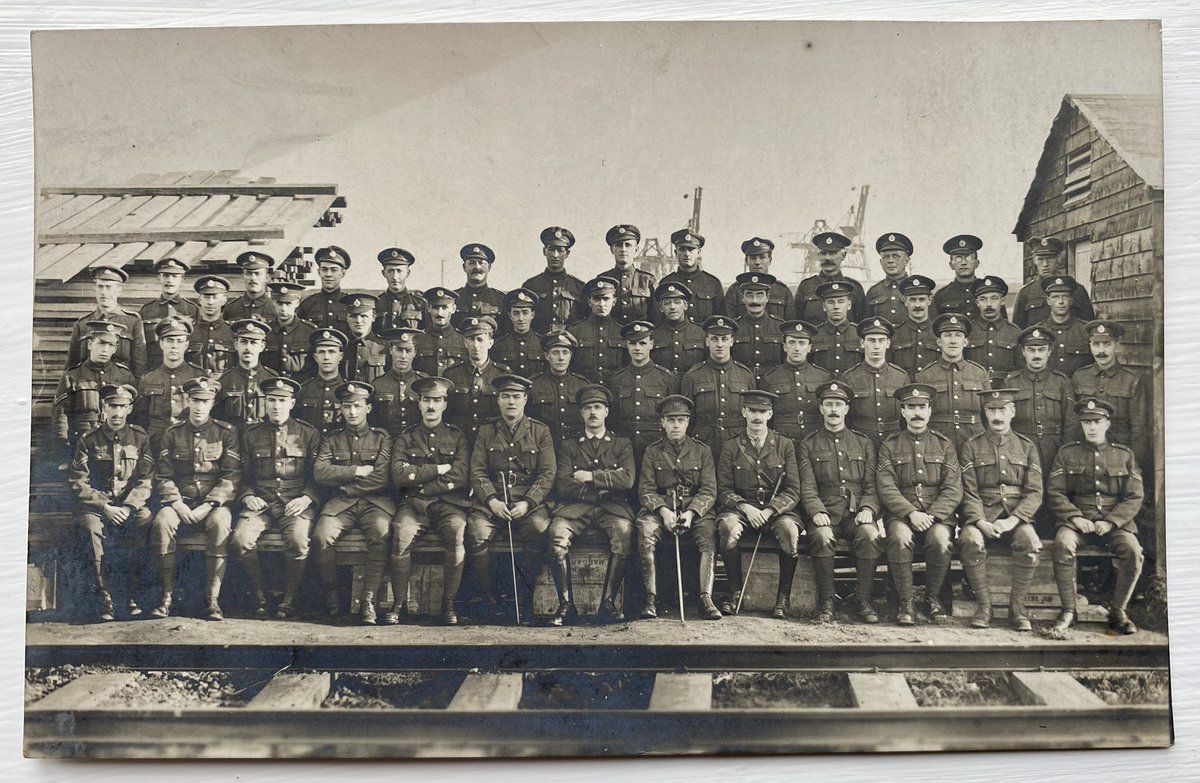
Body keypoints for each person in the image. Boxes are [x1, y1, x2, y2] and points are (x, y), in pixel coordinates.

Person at [1047, 397, 1145, 635]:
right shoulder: (1067, 453)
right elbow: (1055, 491)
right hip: (1078, 522)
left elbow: (1134, 496)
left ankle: (1118, 611)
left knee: (1133, 551)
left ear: (1107, 424)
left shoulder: (1124, 455)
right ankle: (1068, 610)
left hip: (1114, 524)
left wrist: (1111, 522)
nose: (1092, 427)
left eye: (1097, 422)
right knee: (1062, 544)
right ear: (1081, 425)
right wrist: (1074, 517)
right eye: (1087, 422)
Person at [466, 375, 556, 622]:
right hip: (493, 501)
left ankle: (524, 599)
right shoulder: (486, 431)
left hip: (527, 501)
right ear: (498, 400)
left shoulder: (540, 431)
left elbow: (547, 473)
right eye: (505, 396)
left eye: (516, 397)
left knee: (538, 528)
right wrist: (492, 501)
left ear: (525, 399)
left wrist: (528, 502)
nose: (511, 402)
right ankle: (489, 599)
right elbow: (478, 471)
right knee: (476, 532)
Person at [149, 377, 240, 621]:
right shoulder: (172, 433)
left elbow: (231, 476)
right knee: (161, 522)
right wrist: (176, 503)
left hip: (213, 504)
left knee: (221, 524)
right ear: (188, 401)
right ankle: (166, 596)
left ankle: (212, 600)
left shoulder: (226, 433)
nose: (200, 406)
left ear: (212, 403)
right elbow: (163, 475)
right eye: (195, 400)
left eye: (205, 401)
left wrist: (209, 504)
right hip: (180, 502)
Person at [231, 377, 321, 619]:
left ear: (292, 403)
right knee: (240, 540)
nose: (276, 406)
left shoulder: (308, 433)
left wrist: (306, 498)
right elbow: (241, 475)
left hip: (295, 501)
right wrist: (248, 495)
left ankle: (289, 598)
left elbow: (318, 476)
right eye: (271, 400)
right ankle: (260, 596)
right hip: (261, 501)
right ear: (265, 403)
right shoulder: (250, 435)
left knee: (298, 540)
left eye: (282, 401)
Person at [548, 384, 637, 624]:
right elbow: (563, 484)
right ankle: (566, 605)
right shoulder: (569, 446)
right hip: (576, 509)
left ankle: (607, 602)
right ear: (581, 413)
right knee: (557, 536)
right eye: (587, 408)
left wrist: (589, 477)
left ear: (607, 411)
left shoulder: (622, 444)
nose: (593, 412)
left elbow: (627, 479)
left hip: (613, 509)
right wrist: (606, 484)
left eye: (598, 407)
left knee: (624, 533)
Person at [957, 388, 1044, 631]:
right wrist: (980, 521)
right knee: (969, 540)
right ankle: (985, 607)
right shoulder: (971, 446)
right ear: (985, 412)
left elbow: (1035, 492)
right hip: (983, 515)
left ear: (1012, 411)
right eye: (992, 410)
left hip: (1015, 518)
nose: (997, 415)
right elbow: (968, 491)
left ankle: (1017, 608)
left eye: (1002, 410)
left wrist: (1014, 520)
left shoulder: (1027, 447)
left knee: (1030, 542)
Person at [877, 383, 963, 625]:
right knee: (900, 539)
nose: (917, 413)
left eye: (921, 407)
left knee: (939, 540)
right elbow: (886, 486)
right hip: (902, 513)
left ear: (929, 411)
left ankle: (932, 598)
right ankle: (906, 602)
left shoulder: (944, 444)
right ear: (902, 411)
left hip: (937, 514)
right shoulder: (890, 444)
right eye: (911, 407)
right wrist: (910, 513)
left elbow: (953, 488)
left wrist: (933, 516)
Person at [798, 380, 884, 623]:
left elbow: (872, 485)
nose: (833, 410)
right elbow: (807, 486)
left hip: (856, 513)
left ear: (847, 409)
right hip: (824, 511)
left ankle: (863, 600)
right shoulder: (808, 444)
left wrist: (868, 508)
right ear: (821, 408)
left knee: (869, 535)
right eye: (828, 404)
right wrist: (815, 511)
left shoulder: (864, 443)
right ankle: (827, 600)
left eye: (838, 404)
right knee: (822, 537)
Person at [68, 383, 155, 621]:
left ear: (130, 408)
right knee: (89, 528)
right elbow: (78, 482)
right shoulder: (88, 439)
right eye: (112, 406)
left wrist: (128, 507)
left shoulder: (139, 438)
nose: (117, 413)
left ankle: (130, 595)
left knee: (145, 520)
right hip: (97, 508)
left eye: (122, 406)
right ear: (103, 407)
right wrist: (105, 506)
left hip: (128, 506)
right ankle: (104, 598)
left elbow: (146, 479)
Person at [388, 376, 471, 625]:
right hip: (413, 505)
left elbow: (460, 476)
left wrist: (422, 485)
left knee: (457, 531)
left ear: (445, 404)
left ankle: (449, 604)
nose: (431, 406)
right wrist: (439, 469)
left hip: (448, 504)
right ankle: (398, 604)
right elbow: (399, 476)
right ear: (419, 404)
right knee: (401, 533)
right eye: (426, 400)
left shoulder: (458, 438)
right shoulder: (406, 438)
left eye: (437, 400)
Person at [715, 390, 803, 618]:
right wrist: (746, 508)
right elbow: (723, 490)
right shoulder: (731, 446)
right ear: (744, 412)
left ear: (770, 414)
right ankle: (734, 593)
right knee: (728, 527)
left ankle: (782, 599)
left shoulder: (784, 445)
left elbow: (793, 490)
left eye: (762, 412)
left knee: (789, 531)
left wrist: (771, 509)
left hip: (776, 511)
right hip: (743, 509)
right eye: (753, 410)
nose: (757, 416)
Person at [312, 381, 394, 624]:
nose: (352, 412)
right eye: (347, 406)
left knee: (381, 532)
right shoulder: (331, 439)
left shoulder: (382, 438)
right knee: (320, 536)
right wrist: (357, 470)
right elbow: (319, 472)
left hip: (374, 502)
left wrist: (343, 484)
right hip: (341, 505)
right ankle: (331, 593)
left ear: (368, 408)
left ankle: (368, 600)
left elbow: (381, 477)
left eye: (358, 406)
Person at [635, 395, 721, 620]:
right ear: (662, 422)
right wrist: (663, 511)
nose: (675, 425)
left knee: (709, 533)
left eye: (681, 420)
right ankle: (651, 598)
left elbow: (709, 490)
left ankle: (705, 598)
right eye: (670, 420)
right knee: (645, 531)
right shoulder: (652, 452)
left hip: (695, 511)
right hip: (661, 509)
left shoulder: (702, 451)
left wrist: (692, 513)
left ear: (688, 422)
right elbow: (646, 490)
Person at [1005, 326, 1077, 516]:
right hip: (1021, 448)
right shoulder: (1011, 382)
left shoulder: (1061, 382)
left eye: (1041, 349)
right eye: (1031, 350)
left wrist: (1066, 452)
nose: (1036, 355)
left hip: (1053, 447)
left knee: (1054, 492)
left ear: (1049, 351)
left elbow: (1070, 422)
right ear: (1023, 352)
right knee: (1025, 490)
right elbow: (1005, 422)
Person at [1071, 320, 1149, 470]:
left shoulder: (1131, 380)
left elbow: (1139, 430)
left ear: (1117, 345)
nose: (1101, 351)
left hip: (1120, 454)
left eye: (1107, 344)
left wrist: (1134, 464)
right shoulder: (1079, 377)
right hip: (1085, 455)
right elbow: (1073, 424)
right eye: (1096, 344)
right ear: (1090, 346)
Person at [53, 321, 137, 451]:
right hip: (81, 443)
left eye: (110, 345)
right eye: (101, 343)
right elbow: (61, 417)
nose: (105, 349)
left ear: (115, 348)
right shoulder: (72, 375)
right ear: (90, 344)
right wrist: (63, 452)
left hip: (116, 444)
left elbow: (133, 413)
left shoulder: (124, 375)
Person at [679, 315, 756, 456]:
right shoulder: (693, 376)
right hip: (703, 443)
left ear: (732, 341)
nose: (719, 344)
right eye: (714, 339)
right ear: (707, 342)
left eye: (724, 339)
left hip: (738, 443)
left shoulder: (746, 375)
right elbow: (687, 419)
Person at [916, 313, 990, 451]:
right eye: (948, 335)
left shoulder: (979, 373)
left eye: (958, 335)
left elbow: (987, 414)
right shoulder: (927, 375)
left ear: (965, 341)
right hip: (938, 441)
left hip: (975, 440)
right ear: (939, 342)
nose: (953, 340)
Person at [610, 320, 680, 463]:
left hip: (657, 447)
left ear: (651, 344)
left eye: (642, 343)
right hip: (625, 447)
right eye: (632, 343)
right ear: (626, 345)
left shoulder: (666, 378)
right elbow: (613, 419)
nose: (637, 348)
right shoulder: (618, 379)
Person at [135, 316, 208, 454]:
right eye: (169, 340)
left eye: (179, 341)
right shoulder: (149, 377)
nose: (174, 345)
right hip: (156, 444)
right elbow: (140, 417)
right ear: (161, 344)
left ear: (186, 345)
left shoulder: (198, 376)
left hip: (189, 442)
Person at [65, 265, 147, 379]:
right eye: (100, 287)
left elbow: (139, 365)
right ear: (95, 290)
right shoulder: (83, 323)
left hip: (121, 387)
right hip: (88, 386)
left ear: (119, 291)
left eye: (108, 287)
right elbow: (72, 364)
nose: (103, 292)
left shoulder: (132, 321)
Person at [758, 320, 831, 445]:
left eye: (802, 343)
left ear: (809, 348)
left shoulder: (822, 377)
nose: (797, 348)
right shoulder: (770, 378)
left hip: (815, 440)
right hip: (782, 441)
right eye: (792, 342)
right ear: (785, 347)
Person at [841, 317, 910, 448]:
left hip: (895, 443)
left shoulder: (900, 376)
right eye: (871, 340)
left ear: (888, 343)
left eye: (881, 340)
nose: (876, 346)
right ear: (862, 343)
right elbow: (845, 418)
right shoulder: (849, 378)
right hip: (859, 442)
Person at [444, 315, 508, 447]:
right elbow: (446, 414)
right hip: (458, 442)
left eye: (480, 339)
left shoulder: (503, 374)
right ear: (465, 343)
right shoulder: (451, 374)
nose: (476, 345)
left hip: (492, 442)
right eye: (471, 339)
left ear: (490, 343)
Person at [1014, 237, 1095, 328]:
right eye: (1040, 259)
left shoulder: (1077, 290)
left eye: (1049, 259)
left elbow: (1089, 326)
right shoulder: (1026, 293)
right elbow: (1018, 331)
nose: (1045, 264)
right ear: (1034, 260)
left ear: (1059, 258)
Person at [214, 318, 280, 429]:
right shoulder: (224, 381)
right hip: (234, 442)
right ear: (236, 345)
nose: (248, 347)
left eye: (253, 342)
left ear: (262, 346)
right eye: (243, 342)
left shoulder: (272, 379)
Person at [139, 257, 200, 371]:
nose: (169, 280)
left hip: (184, 371)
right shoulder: (146, 310)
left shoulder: (193, 309)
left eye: (174, 276)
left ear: (182, 279)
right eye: (165, 275)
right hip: (153, 370)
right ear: (159, 278)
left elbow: (196, 344)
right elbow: (141, 347)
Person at [522, 226, 587, 332]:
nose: (555, 255)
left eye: (560, 250)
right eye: (551, 249)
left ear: (567, 254)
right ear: (544, 251)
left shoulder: (579, 287)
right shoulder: (530, 286)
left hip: (568, 346)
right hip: (539, 344)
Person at [529, 330, 590, 443]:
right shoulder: (534, 384)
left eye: (565, 352)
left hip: (575, 447)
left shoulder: (582, 384)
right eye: (555, 352)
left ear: (571, 356)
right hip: (543, 445)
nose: (561, 357)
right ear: (547, 356)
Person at [794, 231, 866, 323]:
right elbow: (798, 322)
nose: (827, 258)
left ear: (843, 255)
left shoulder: (855, 288)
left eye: (833, 253)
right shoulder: (806, 287)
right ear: (818, 255)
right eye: (823, 253)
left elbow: (861, 324)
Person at [369, 327, 427, 437]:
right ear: (390, 350)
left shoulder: (423, 382)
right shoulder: (378, 384)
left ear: (415, 352)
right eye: (399, 350)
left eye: (408, 350)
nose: (403, 356)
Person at [656, 228, 724, 323]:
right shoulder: (666, 282)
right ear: (676, 253)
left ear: (699, 252)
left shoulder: (713, 283)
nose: (687, 254)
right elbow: (659, 319)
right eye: (682, 249)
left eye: (691, 249)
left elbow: (720, 319)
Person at [965, 276, 1022, 387]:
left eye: (994, 298)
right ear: (977, 302)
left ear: (1002, 301)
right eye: (983, 299)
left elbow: (1021, 370)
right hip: (974, 391)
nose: (989, 304)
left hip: (1005, 392)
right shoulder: (967, 331)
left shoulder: (1014, 332)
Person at [570, 276, 626, 386]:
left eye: (606, 299)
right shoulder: (575, 331)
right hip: (584, 390)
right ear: (589, 302)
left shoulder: (623, 332)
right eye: (596, 299)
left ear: (614, 301)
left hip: (615, 390)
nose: (601, 304)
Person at [1035, 275, 1094, 378]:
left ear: (1071, 300)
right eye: (1055, 297)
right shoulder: (1039, 331)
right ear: (1048, 301)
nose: (1061, 301)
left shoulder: (1085, 330)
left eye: (1065, 296)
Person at [725, 237, 794, 319]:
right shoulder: (735, 290)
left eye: (762, 257)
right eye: (753, 258)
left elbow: (790, 324)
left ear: (770, 260)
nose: (757, 262)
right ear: (746, 261)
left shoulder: (782, 291)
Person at [296, 328, 348, 438]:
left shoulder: (347, 391)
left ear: (340, 356)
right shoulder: (303, 391)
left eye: (332, 352)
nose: (326, 357)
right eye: (321, 352)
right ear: (315, 357)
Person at [732, 272, 785, 376]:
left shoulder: (780, 327)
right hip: (742, 383)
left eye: (759, 295)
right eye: (749, 295)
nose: (754, 301)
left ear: (767, 297)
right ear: (743, 298)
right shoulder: (734, 327)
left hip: (772, 384)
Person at [600, 224, 656, 323]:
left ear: (636, 249)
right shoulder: (602, 279)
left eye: (628, 245)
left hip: (640, 337)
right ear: (612, 249)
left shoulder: (648, 281)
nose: (623, 249)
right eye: (619, 245)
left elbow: (657, 317)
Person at [650, 281, 706, 376]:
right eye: (667, 303)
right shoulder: (654, 335)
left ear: (685, 306)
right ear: (661, 308)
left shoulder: (701, 333)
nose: (672, 307)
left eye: (677, 302)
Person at [262, 281, 316, 378]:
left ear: (297, 303)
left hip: (301, 387)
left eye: (288, 304)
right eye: (279, 303)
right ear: (273, 302)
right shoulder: (265, 331)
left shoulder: (309, 331)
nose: (283, 308)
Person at [810, 280, 864, 376]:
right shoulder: (814, 334)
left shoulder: (860, 334)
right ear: (824, 306)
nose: (836, 307)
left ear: (849, 305)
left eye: (841, 302)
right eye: (831, 302)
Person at [186, 275, 237, 375]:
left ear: (224, 300)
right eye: (206, 297)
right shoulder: (189, 332)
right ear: (200, 300)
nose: (210, 302)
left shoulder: (233, 332)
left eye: (215, 297)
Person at [890, 274, 939, 377]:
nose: (917, 305)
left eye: (922, 299)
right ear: (905, 301)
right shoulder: (894, 334)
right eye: (912, 299)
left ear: (929, 300)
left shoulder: (939, 332)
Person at [492, 288, 546, 379]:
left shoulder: (543, 343)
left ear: (532, 315)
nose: (521, 318)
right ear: (510, 316)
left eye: (525, 313)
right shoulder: (499, 345)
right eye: (516, 313)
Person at [297, 245, 351, 332]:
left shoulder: (350, 304)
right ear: (319, 272)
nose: (328, 274)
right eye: (324, 269)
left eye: (334, 270)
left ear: (343, 273)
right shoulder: (307, 305)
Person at [415, 287, 467, 376]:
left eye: (444, 307)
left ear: (453, 309)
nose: (439, 313)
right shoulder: (417, 340)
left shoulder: (463, 340)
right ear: (428, 308)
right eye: (435, 307)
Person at [374, 247, 427, 332]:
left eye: (399, 271)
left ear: (408, 273)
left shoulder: (420, 304)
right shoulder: (375, 303)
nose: (395, 277)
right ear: (384, 273)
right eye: (390, 271)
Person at [454, 243, 506, 329]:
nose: (477, 267)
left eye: (481, 263)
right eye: (471, 263)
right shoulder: (454, 299)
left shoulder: (500, 300)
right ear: (464, 267)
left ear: (489, 267)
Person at [864, 232, 913, 322]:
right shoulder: (873, 292)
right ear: (881, 262)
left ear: (906, 260)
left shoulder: (915, 288)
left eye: (896, 256)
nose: (890, 261)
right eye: (886, 257)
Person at [340, 293, 388, 383]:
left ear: (373, 317)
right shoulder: (340, 346)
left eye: (363, 316)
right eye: (353, 316)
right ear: (347, 318)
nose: (358, 321)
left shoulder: (385, 347)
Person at [934, 234, 984, 320]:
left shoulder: (987, 291)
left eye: (968, 258)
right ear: (951, 265)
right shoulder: (941, 296)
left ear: (976, 263)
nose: (963, 262)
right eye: (958, 258)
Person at [223, 251, 278, 323]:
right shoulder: (231, 308)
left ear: (267, 277)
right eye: (248, 273)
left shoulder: (275, 308)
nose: (253, 278)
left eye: (257, 274)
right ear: (243, 276)